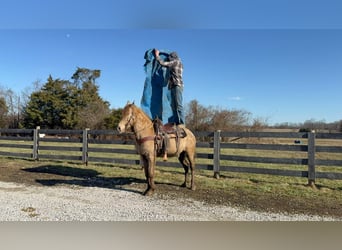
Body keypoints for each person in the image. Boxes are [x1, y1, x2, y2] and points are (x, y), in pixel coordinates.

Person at [154, 49, 185, 125]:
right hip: (174, 86)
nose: (169, 60)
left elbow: (163, 63)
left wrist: (157, 55)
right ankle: (176, 122)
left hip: (177, 86)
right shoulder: (179, 63)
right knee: (174, 106)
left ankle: (182, 123)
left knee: (179, 105)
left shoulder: (175, 62)